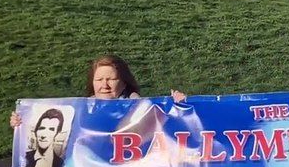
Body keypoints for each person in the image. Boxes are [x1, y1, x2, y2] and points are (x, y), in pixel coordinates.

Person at [10, 56, 187, 130]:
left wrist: (181, 107)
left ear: (124, 82)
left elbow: (171, 130)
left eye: (111, 79)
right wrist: (24, 123)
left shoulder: (143, 108)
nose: (104, 85)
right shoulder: (80, 111)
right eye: (99, 80)